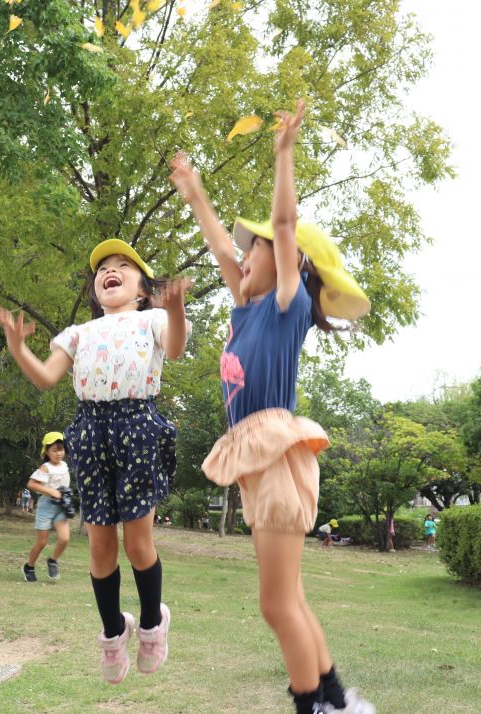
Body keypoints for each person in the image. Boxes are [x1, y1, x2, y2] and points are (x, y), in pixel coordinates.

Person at [172, 99, 376, 714]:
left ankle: (312, 705)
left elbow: (284, 230)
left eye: (253, 250)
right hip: (256, 455)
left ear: (287, 266)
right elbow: (221, 250)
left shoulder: (285, 307)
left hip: (275, 454)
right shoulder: (244, 306)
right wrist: (195, 194)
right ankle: (336, 699)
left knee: (276, 603)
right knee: (291, 598)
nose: (243, 256)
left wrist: (284, 154)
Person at [0, 236, 191, 684]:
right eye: (102, 268)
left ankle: (151, 626)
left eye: (122, 265)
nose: (109, 271)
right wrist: (18, 347)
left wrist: (176, 310)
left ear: (142, 289)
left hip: (138, 425)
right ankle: (111, 633)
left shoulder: (154, 320)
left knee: (139, 543)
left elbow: (176, 348)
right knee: (101, 545)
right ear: (96, 287)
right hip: (90, 430)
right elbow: (46, 378)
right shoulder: (79, 333)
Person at [22, 432, 73, 582]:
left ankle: (53, 560)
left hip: (62, 505)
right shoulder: (46, 467)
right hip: (46, 506)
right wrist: (51, 491)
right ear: (46, 451)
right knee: (42, 542)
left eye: (61, 449)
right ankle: (29, 566)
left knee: (64, 539)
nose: (59, 453)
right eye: (55, 450)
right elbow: (31, 484)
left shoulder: (64, 465)